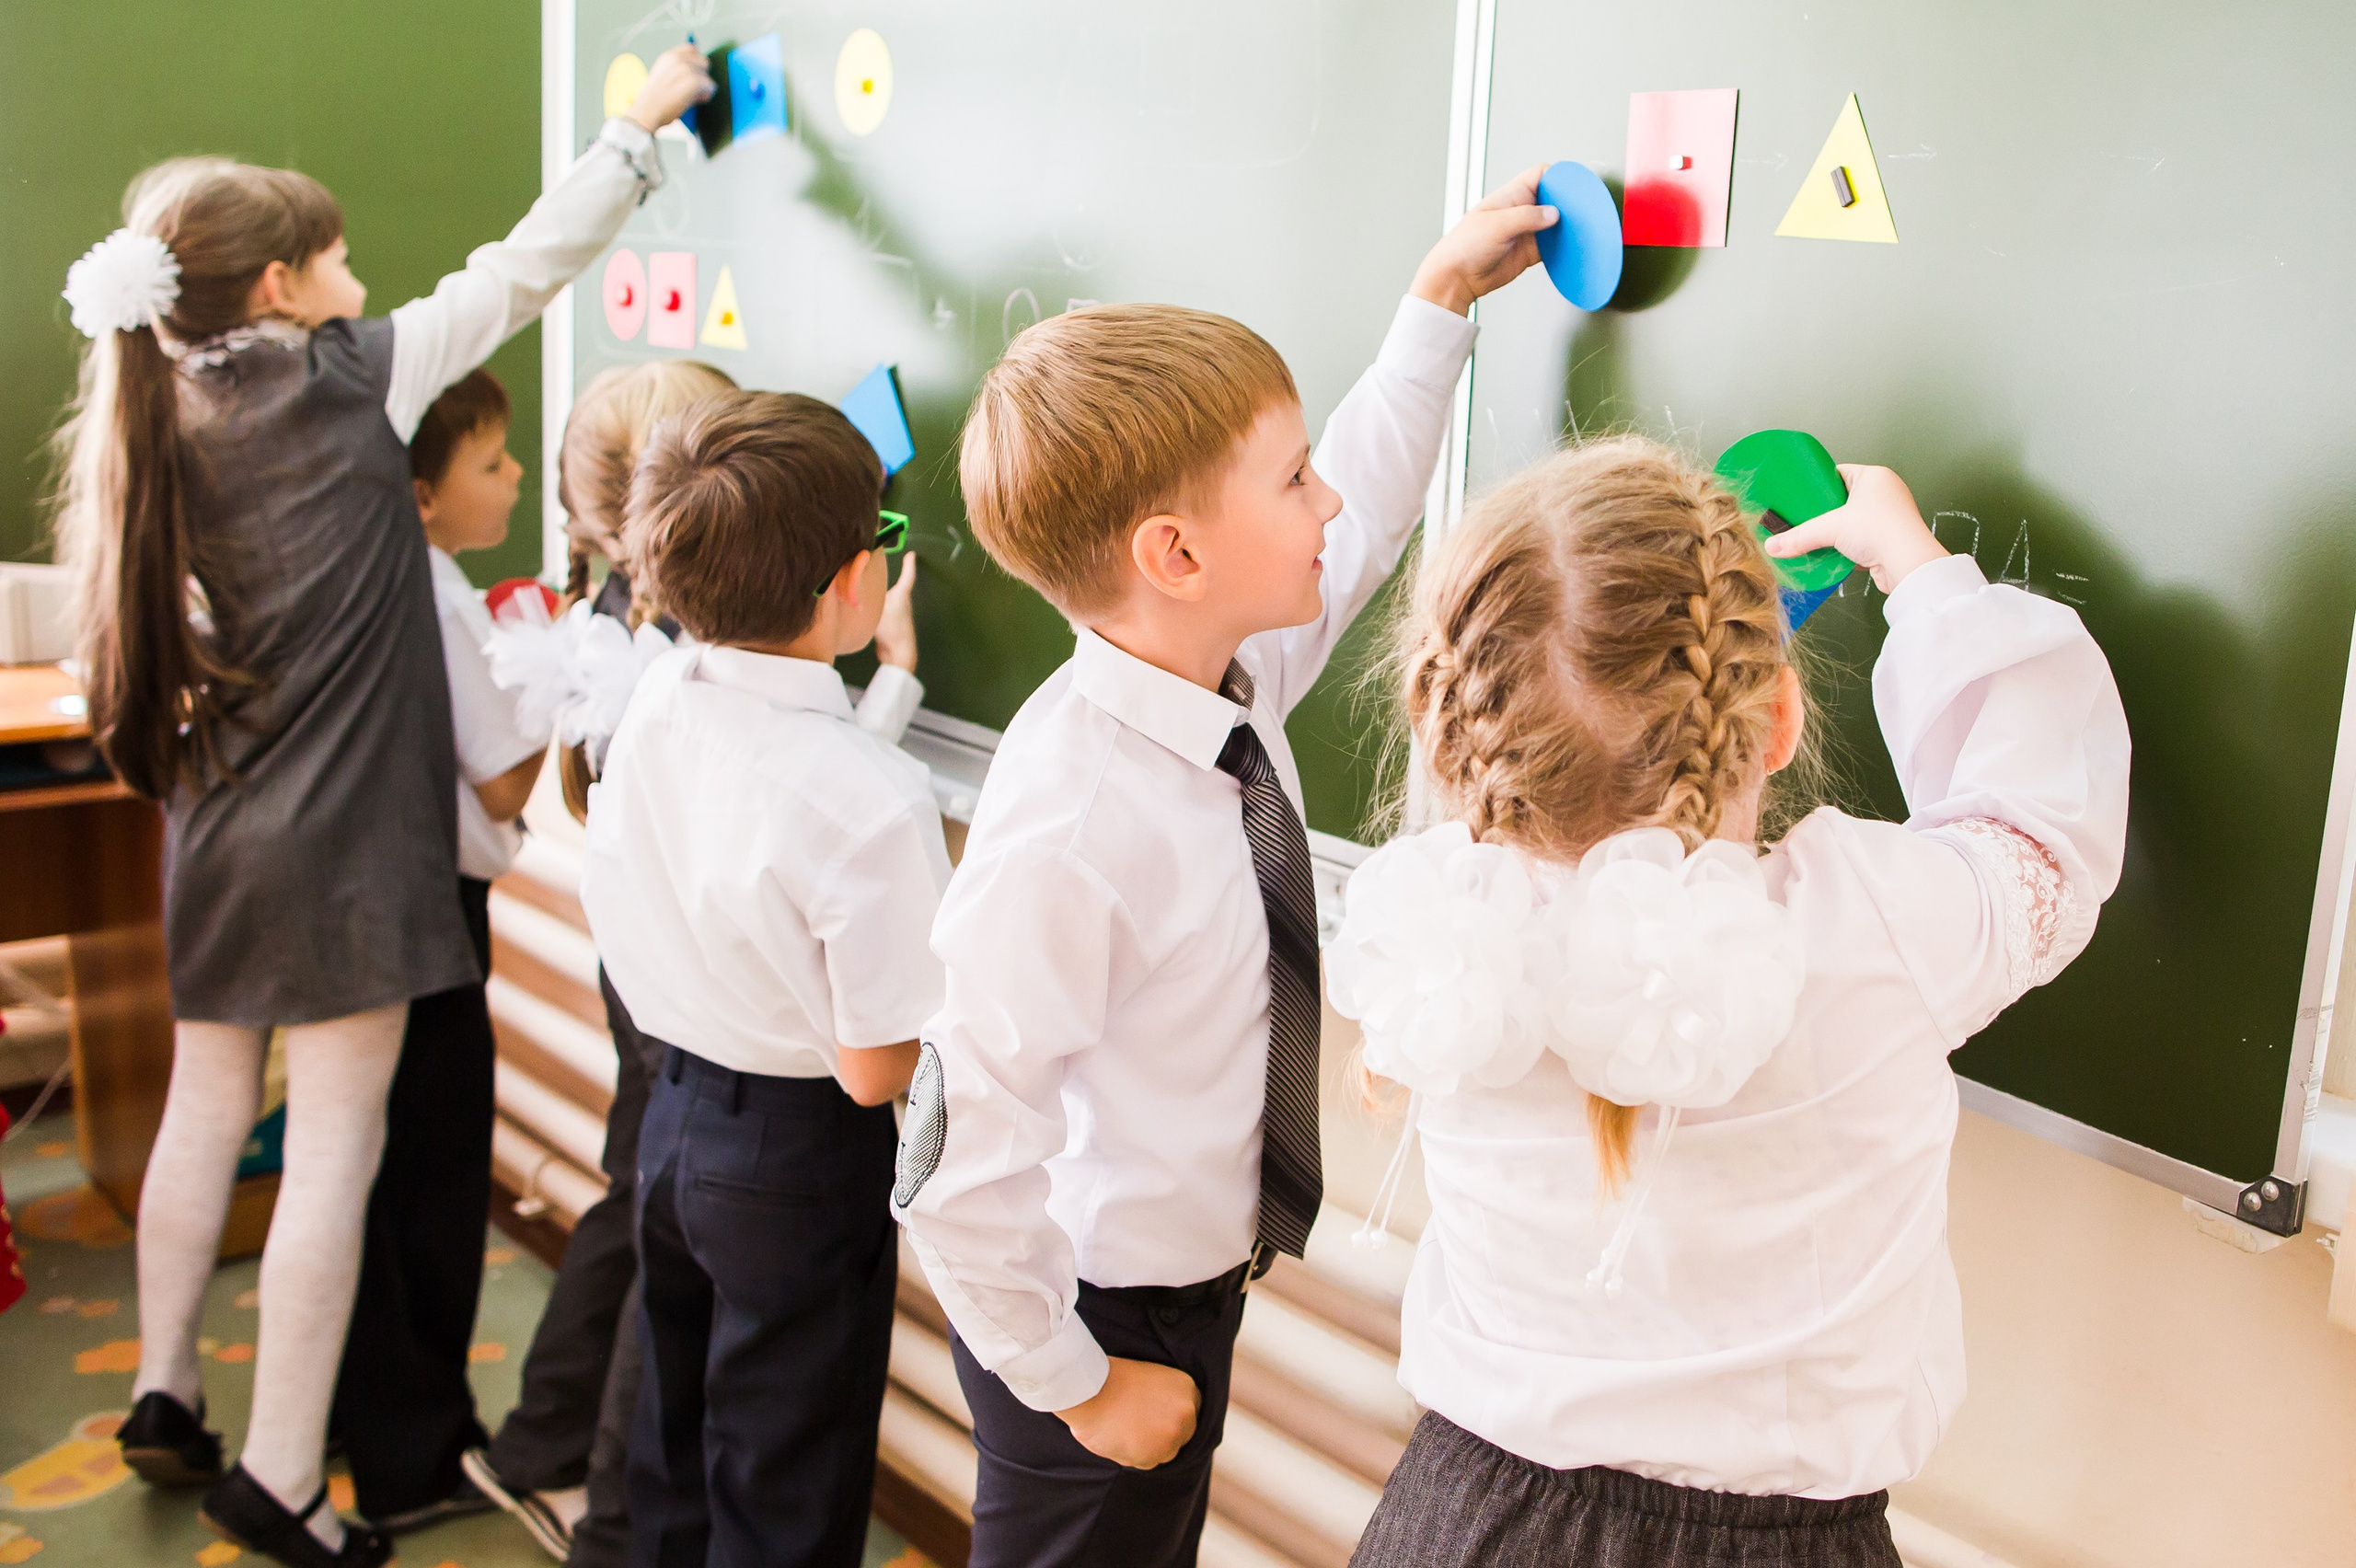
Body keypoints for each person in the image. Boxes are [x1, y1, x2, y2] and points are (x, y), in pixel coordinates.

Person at [59, 44, 713, 1568]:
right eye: (341, 255)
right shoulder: (357, 383)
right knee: (334, 1145)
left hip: (215, 832)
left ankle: (165, 1383)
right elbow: (524, 269)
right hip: (349, 856)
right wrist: (632, 133)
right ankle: (282, 1474)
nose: (364, 274)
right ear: (283, 287)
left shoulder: (159, 414)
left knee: (207, 1106)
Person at [888, 171, 1558, 1568]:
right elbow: (956, 1166)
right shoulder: (1073, 823)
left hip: (1189, 1294)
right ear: (1177, 554)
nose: (1325, 502)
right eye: (1290, 476)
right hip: (1093, 1318)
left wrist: (1435, 309)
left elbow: (1364, 517)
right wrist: (1080, 1386)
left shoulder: (1218, 681)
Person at [1326, 439, 2130, 1565]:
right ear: (1779, 723)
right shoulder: (1869, 928)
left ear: (1457, 728)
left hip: (1468, 1521)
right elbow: (2042, 835)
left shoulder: (1439, 939)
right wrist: (1922, 572)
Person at [464, 361, 924, 1567]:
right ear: (852, 578)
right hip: (800, 1157)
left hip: (673, 1124)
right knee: (786, 1472)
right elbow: (876, 1074)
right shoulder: (878, 799)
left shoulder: (651, 698)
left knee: (672, 1449)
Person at [327, 368, 545, 1532]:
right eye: (494, 462)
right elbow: (505, 774)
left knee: (371, 1172)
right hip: (432, 922)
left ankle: (362, 1410)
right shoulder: (446, 599)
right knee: (432, 1178)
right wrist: (565, 680)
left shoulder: (358, 571)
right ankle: (413, 1447)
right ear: (419, 493)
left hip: (361, 909)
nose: (514, 477)